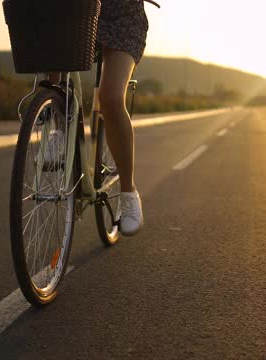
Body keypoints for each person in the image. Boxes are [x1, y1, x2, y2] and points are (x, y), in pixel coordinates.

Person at [96, 0, 151, 236]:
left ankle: (128, 192)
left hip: (122, 15)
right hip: (74, 12)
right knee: (51, 58)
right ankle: (57, 129)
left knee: (110, 97)